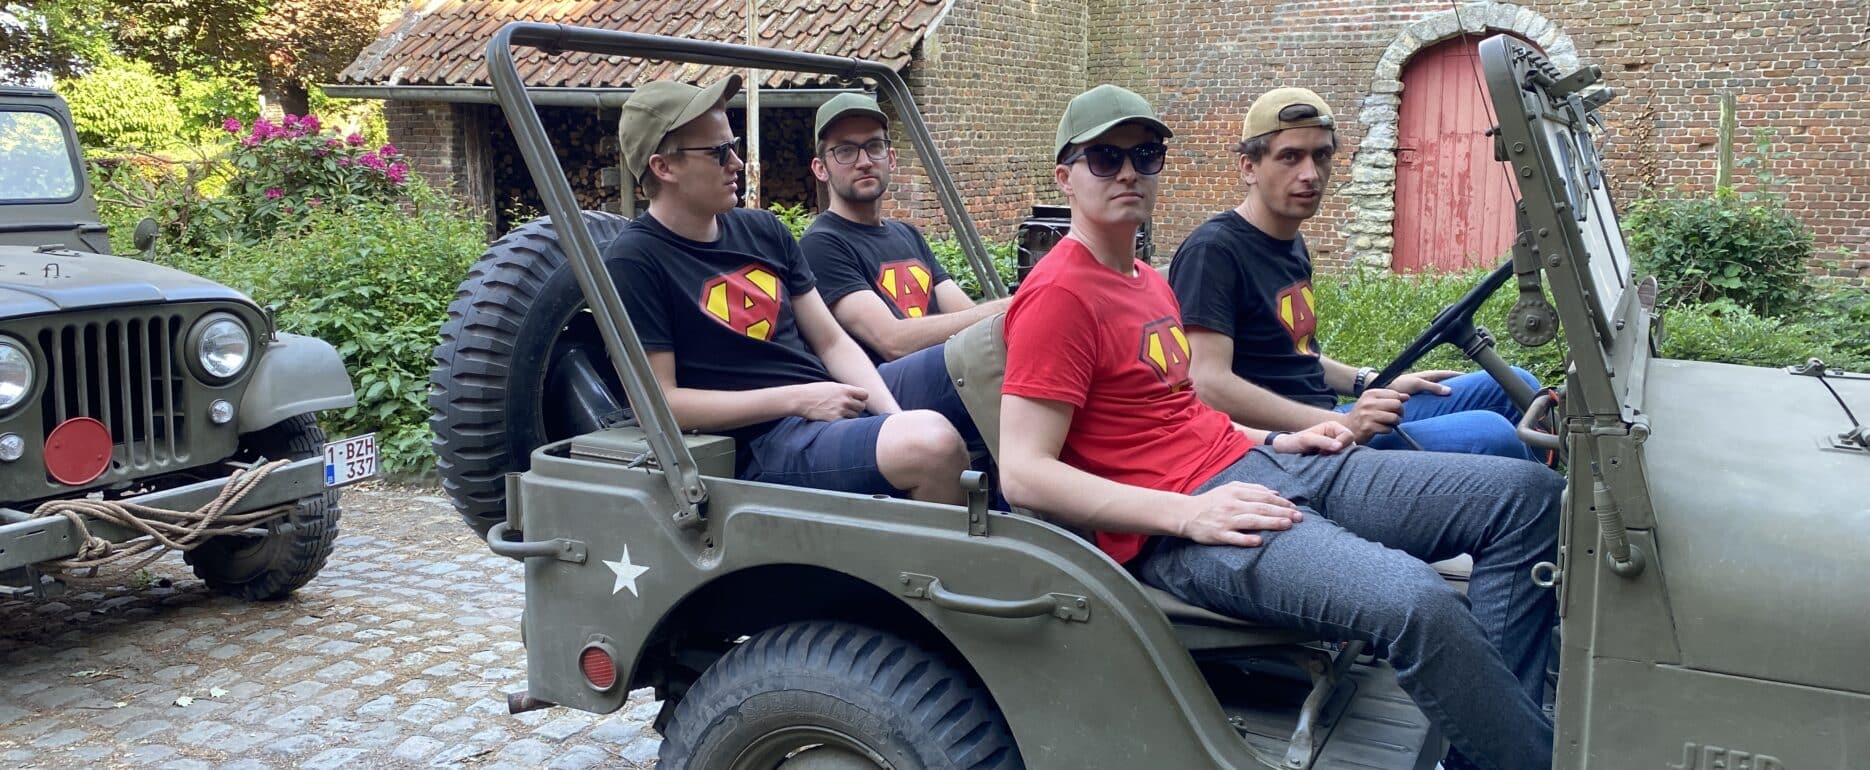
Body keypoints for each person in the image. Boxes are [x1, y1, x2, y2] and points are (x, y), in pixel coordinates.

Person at [997, 84, 1560, 770]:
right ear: (1065, 177)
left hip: (1261, 465)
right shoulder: (1059, 295)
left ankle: (1489, 748)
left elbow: (1180, 409)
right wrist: (1187, 514)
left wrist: (1275, 438)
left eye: (1144, 156)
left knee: (1527, 498)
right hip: (1187, 523)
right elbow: (1023, 473)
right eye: (1104, 158)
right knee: (1416, 600)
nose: (1127, 173)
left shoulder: (1146, 279)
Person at [604, 76, 970, 504]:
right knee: (932, 444)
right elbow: (659, 404)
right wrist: (798, 400)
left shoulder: (763, 229)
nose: (736, 163)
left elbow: (831, 342)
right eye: (719, 152)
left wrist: (891, 416)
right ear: (663, 167)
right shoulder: (635, 261)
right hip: (760, 443)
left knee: (987, 356)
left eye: (733, 145)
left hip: (824, 405)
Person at [1167, 87, 1541, 461]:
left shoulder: (1289, 242)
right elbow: (1207, 383)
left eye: (1321, 155)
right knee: (1491, 435)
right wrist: (1341, 424)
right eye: (1290, 157)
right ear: (1249, 167)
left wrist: (1372, 382)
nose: (1310, 174)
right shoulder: (1214, 251)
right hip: (1291, 445)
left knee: (1515, 386)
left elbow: (1295, 355)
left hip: (1331, 416)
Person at [799, 93, 1010, 364]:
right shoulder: (821, 245)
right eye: (846, 151)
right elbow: (892, 341)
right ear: (820, 169)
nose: (864, 161)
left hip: (949, 373)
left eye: (874, 146)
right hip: (886, 386)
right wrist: (1008, 307)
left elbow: (969, 316)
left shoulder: (908, 235)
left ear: (891, 158)